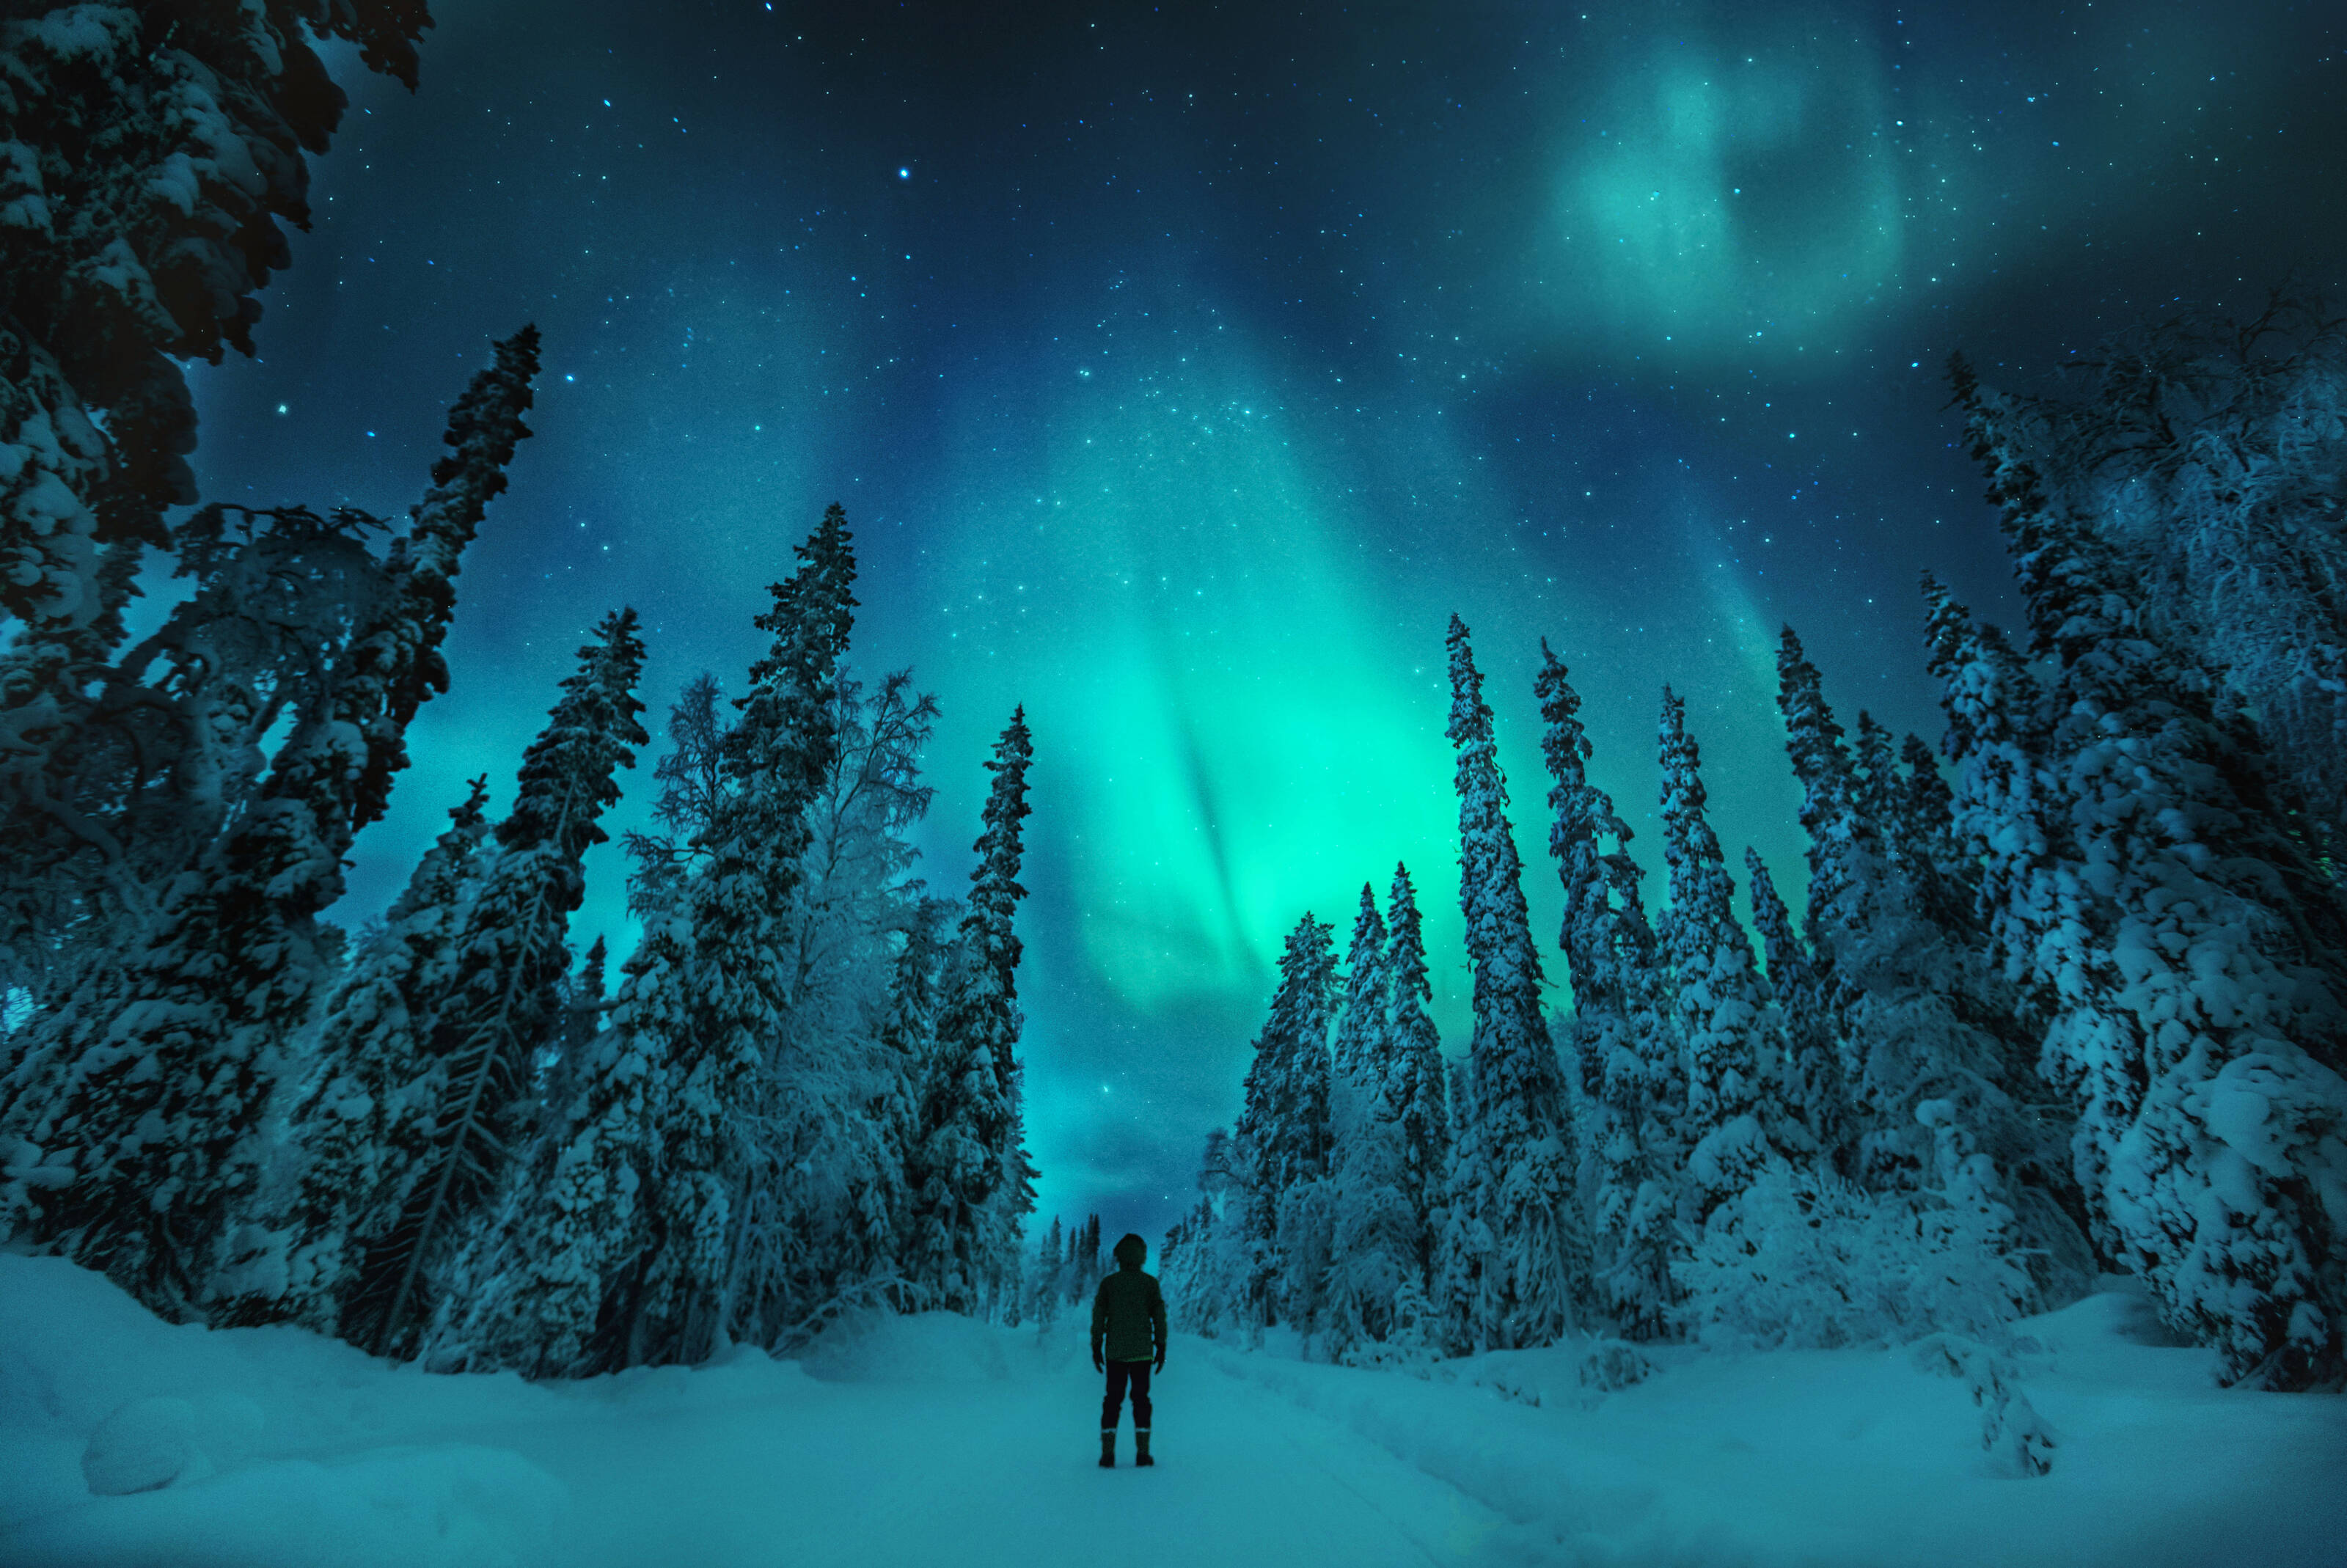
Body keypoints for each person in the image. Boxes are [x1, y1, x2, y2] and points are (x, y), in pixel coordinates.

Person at [1091, 1231, 1168, 1468]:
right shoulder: (1150, 1284)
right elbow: (1159, 1318)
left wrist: (1096, 1346)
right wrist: (1161, 1346)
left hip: (1115, 1353)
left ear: (1119, 1256)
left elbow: (1098, 1317)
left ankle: (1107, 1455)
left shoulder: (1109, 1284)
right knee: (1141, 1399)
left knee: (1112, 1400)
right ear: (1142, 1256)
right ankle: (1143, 1455)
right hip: (1143, 1353)